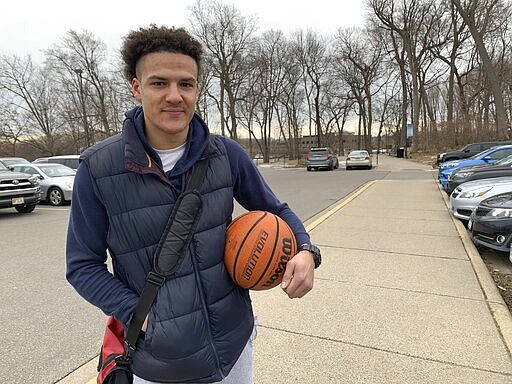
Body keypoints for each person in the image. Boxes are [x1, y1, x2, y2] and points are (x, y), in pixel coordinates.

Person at [66, 25, 320, 384]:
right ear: (136, 88)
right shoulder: (98, 169)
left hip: (234, 347)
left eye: (185, 84)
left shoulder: (226, 154)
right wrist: (141, 316)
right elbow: (82, 266)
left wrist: (306, 251)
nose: (174, 95)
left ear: (198, 89)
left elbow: (277, 211)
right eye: (159, 83)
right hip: (159, 364)